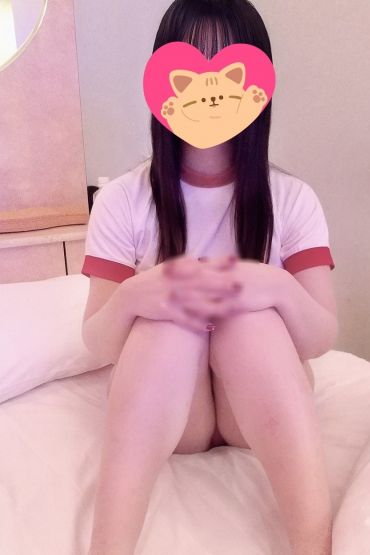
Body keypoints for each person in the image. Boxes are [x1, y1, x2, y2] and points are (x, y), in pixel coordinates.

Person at [82, 1, 338, 554]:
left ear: (258, 86)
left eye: (226, 66)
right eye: (190, 64)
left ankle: (313, 546)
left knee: (251, 320)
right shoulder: (123, 199)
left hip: (256, 408)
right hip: (180, 413)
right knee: (166, 322)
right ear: (162, 83)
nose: (208, 85)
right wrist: (136, 295)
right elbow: (97, 341)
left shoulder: (291, 198)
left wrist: (273, 287)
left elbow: (320, 336)